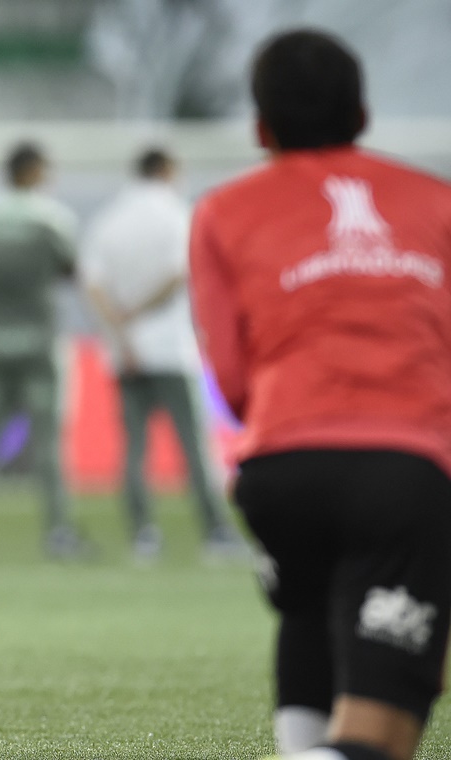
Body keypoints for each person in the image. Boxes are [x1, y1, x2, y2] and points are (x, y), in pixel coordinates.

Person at [189, 29, 451, 760]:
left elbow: (232, 379)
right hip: (404, 470)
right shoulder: (436, 202)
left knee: (309, 609)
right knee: (383, 734)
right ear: (363, 114)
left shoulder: (223, 210)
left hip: (280, 472)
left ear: (261, 127)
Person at [80, 147, 243, 560]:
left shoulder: (109, 219)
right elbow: (178, 274)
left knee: (134, 448)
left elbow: (93, 284)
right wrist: (140, 312)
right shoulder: (176, 214)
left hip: (126, 352)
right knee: (193, 446)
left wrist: (120, 330)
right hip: (171, 348)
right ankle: (216, 534)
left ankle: (143, 536)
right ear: (168, 171)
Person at [0, 142, 87, 558]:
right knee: (48, 442)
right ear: (32, 171)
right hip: (40, 341)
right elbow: (71, 270)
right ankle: (57, 531)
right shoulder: (49, 218)